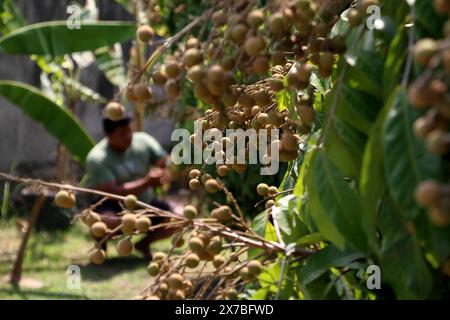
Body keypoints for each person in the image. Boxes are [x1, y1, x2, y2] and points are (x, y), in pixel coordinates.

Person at [85, 115, 176, 260]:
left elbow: (165, 161)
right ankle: (101, 245)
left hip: (145, 203)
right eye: (122, 134)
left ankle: (143, 244)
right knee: (104, 223)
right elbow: (112, 192)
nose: (128, 137)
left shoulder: (143, 140)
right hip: (113, 206)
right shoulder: (97, 158)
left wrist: (165, 170)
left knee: (179, 216)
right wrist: (147, 182)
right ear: (108, 135)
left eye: (130, 131)